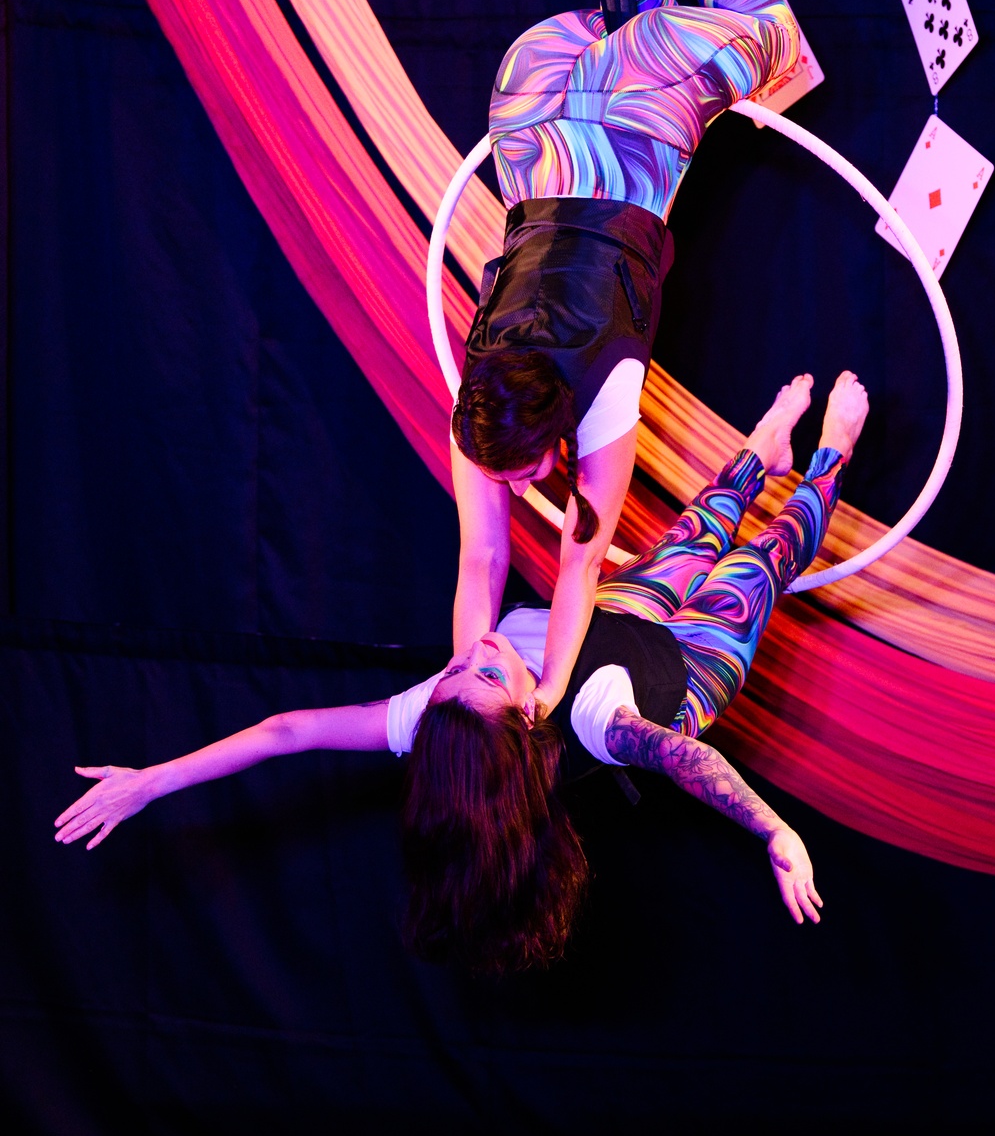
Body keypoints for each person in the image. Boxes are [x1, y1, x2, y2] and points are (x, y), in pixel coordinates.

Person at [55, 374, 869, 976]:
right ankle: (833, 451)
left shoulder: (444, 716)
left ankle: (764, 448)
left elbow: (287, 732)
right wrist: (773, 831)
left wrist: (153, 781)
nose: (476, 651)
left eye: (454, 673)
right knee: (763, 560)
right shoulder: (588, 721)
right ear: (525, 714)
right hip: (686, 669)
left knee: (693, 535)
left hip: (615, 620)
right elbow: (686, 760)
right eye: (485, 673)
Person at [450, 0, 802, 719]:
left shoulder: (601, 389)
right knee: (647, 27)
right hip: (527, 94)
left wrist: (545, 690)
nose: (516, 485)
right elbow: (481, 561)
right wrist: (470, 676)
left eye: (521, 473)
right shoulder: (480, 399)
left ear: (549, 430)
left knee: (774, 34)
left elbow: (578, 564)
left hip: (633, 126)